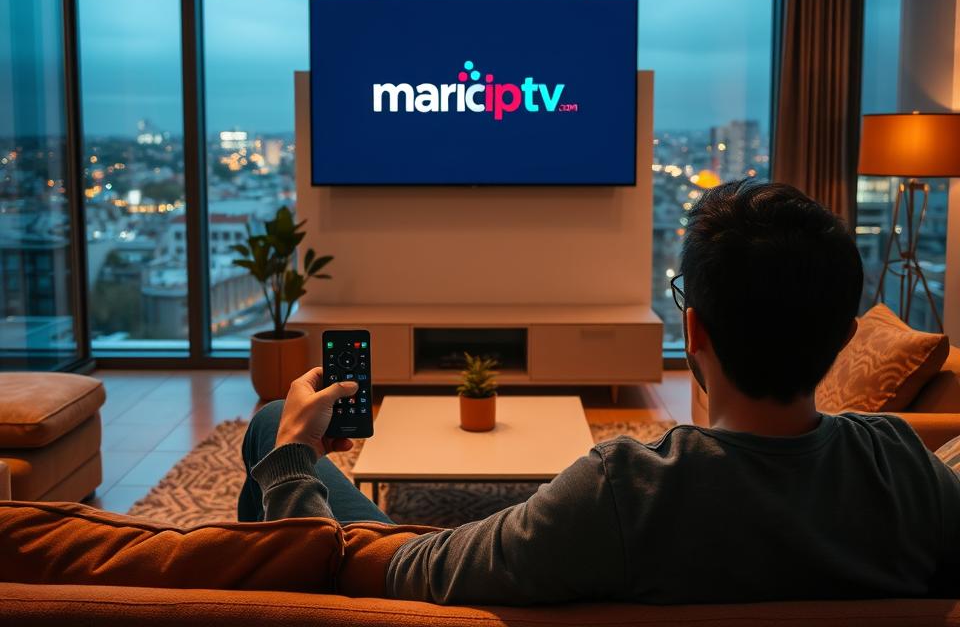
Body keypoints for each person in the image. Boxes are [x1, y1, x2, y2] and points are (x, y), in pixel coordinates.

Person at [237, 180, 960, 605]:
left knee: (274, 424)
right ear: (841, 337)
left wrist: (299, 456)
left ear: (693, 328)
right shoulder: (904, 470)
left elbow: (376, 572)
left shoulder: (622, 493)